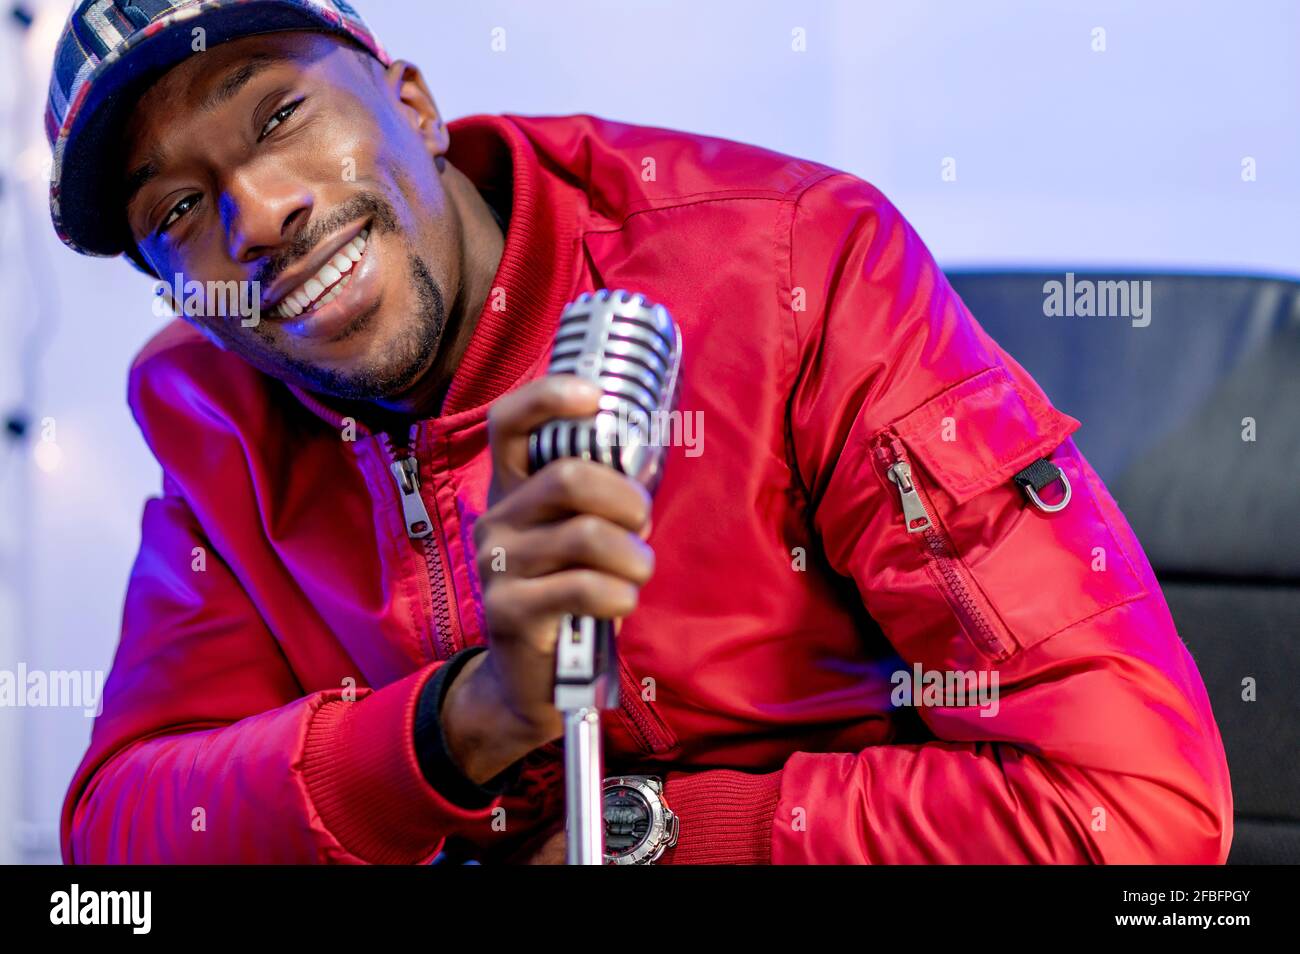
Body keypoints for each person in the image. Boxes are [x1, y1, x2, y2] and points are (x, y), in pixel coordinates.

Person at [47, 0, 1232, 864]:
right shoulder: (212, 406)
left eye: (280, 114)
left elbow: (1130, 811)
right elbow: (120, 843)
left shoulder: (794, 264)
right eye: (181, 210)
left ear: (411, 102)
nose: (259, 216)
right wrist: (465, 719)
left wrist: (657, 836)